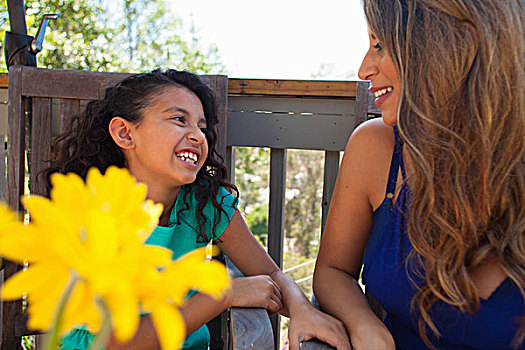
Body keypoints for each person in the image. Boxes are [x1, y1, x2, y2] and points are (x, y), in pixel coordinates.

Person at [46, 69, 350, 350]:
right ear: (126, 134)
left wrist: (302, 310)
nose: (197, 135)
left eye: (201, 127)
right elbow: (112, 342)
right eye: (179, 120)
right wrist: (221, 295)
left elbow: (269, 273)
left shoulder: (203, 204)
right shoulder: (94, 214)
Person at [313, 0, 525, 349]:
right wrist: (364, 322)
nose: (364, 69)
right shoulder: (375, 147)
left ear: (453, 45)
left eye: (380, 45)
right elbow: (333, 271)